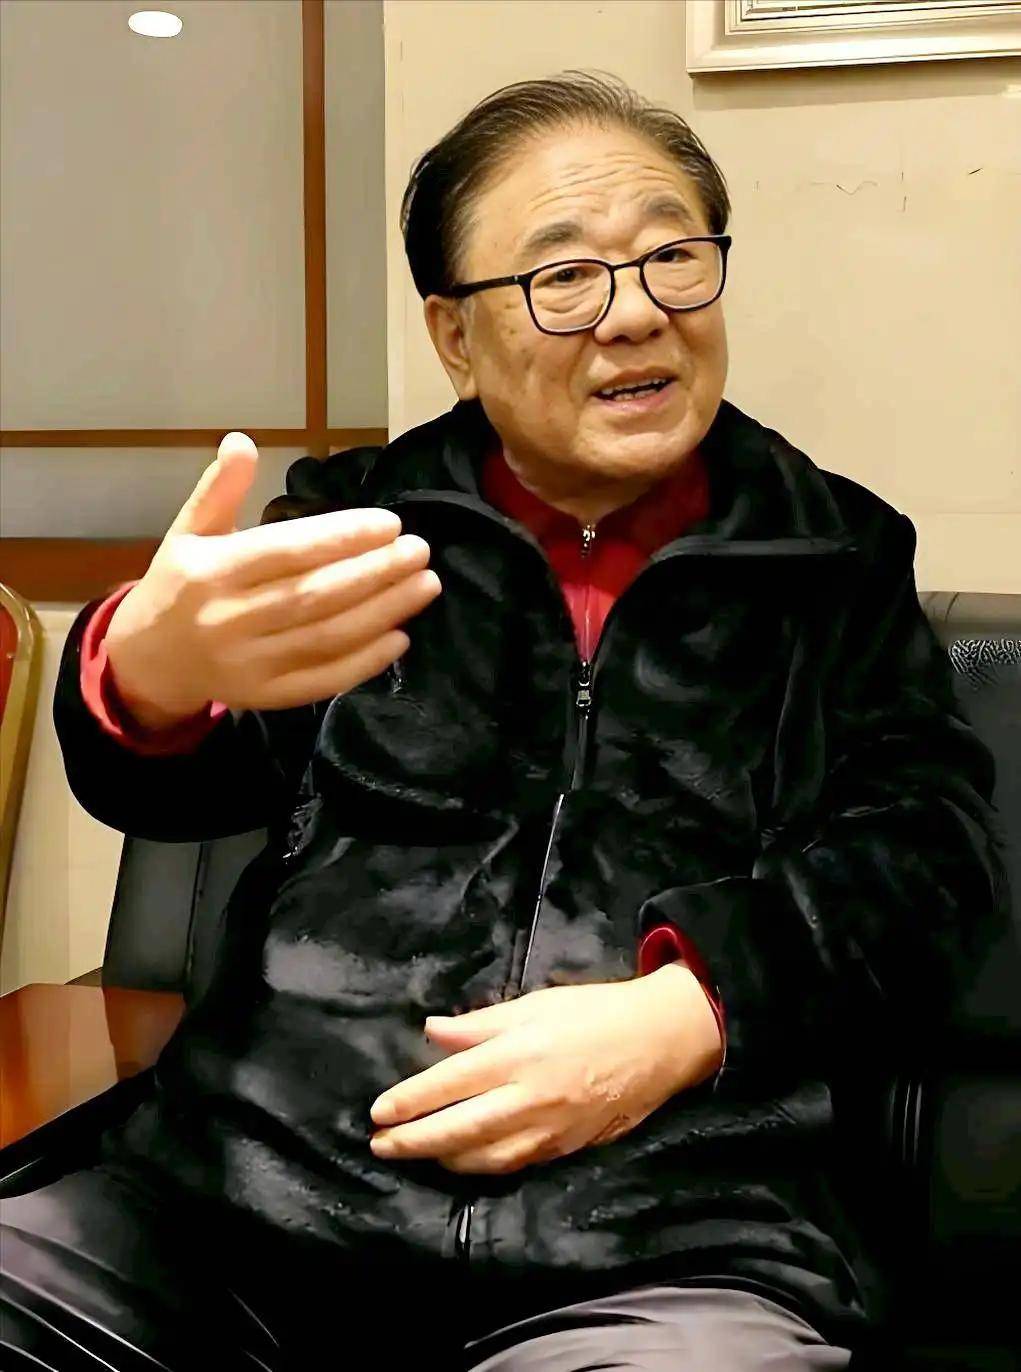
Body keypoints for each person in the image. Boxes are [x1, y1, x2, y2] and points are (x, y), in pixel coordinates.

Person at [1, 71, 1009, 1371]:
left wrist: (687, 1012)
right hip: (236, 1222)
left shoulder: (829, 562)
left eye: (673, 257)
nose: (636, 313)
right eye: (564, 276)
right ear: (455, 337)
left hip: (665, 1249)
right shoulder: (355, 526)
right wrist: (138, 674)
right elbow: (186, 781)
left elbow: (928, 860)